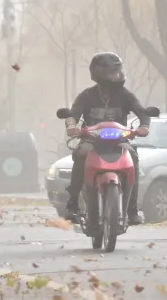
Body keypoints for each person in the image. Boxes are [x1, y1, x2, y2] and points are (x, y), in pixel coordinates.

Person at [64, 52, 151, 225]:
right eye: (112, 72)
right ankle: (72, 204)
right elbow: (72, 115)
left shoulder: (125, 95)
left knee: (133, 157)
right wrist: (71, 126)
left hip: (119, 141)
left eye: (117, 70)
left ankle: (132, 209)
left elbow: (142, 112)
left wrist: (144, 126)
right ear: (99, 74)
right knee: (81, 154)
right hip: (92, 141)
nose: (116, 75)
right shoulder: (87, 96)